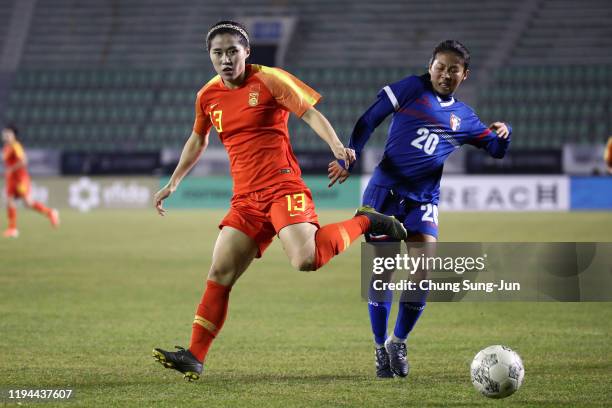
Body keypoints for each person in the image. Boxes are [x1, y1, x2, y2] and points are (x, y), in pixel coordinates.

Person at [151, 20, 407, 381]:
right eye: (217, 53)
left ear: (246, 52)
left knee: (306, 259)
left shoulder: (270, 79)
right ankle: (195, 355)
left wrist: (338, 149)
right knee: (220, 273)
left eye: (232, 51)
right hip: (245, 200)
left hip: (282, 188)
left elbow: (309, 113)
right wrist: (173, 182)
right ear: (209, 56)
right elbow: (198, 140)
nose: (225, 59)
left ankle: (368, 220)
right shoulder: (207, 95)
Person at [328, 40, 511, 378]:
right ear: (430, 66)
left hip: (424, 198)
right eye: (440, 67)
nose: (445, 74)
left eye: (453, 69)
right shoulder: (412, 89)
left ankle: (399, 341)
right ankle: (380, 347)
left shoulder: (465, 117)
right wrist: (349, 153)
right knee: (382, 272)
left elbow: (496, 149)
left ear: (464, 75)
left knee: (423, 269)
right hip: (384, 192)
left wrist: (505, 132)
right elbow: (369, 119)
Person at [2, 125, 59, 237]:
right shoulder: (6, 148)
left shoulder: (16, 146)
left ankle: (50, 212)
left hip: (20, 179)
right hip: (11, 179)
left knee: (28, 203)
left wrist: (11, 169)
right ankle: (12, 229)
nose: (6, 136)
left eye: (9, 134)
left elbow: (24, 161)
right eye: (5, 134)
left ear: (14, 135)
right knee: (9, 201)